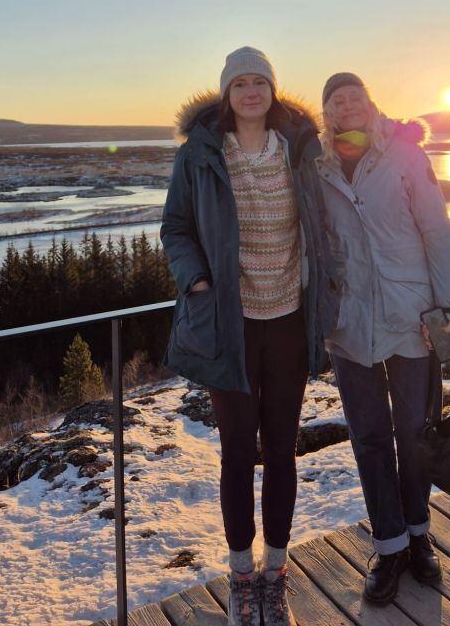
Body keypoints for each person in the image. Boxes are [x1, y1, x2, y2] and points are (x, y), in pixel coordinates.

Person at [161, 47, 336, 626]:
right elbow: (176, 227)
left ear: (273, 90)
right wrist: (197, 281)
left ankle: (275, 572)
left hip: (288, 322)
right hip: (228, 326)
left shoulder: (299, 148)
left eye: (261, 81)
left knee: (282, 450)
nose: (252, 91)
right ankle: (241, 577)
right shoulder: (200, 153)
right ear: (226, 94)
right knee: (237, 453)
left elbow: (328, 216)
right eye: (241, 83)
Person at [316, 72, 450, 604]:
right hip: (350, 322)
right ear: (327, 112)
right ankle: (389, 544)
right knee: (370, 438)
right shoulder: (317, 165)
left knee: (416, 433)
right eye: (337, 99)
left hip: (412, 316)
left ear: (369, 102)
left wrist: (448, 309)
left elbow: (436, 229)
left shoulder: (404, 155)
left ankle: (419, 535)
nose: (347, 105)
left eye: (354, 96)